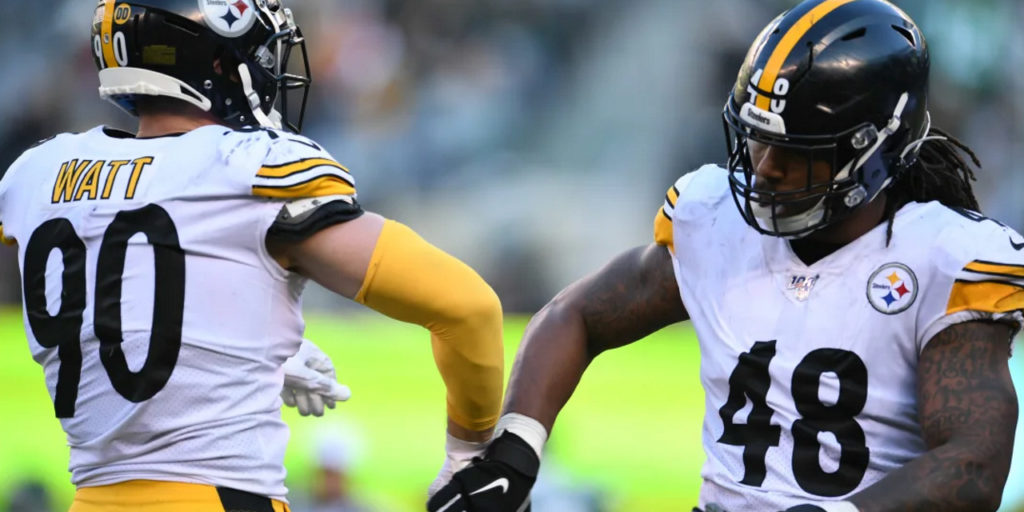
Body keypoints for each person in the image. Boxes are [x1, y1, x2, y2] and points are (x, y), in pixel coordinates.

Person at [427, 0, 1021, 511]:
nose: (764, 169)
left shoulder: (944, 259)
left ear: (871, 151)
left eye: (795, 151)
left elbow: (972, 468)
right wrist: (516, 447)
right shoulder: (715, 220)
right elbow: (576, 316)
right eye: (757, 139)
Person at [0, 1, 504, 510]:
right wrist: (472, 456)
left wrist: (233, 351)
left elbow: (121, 298)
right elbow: (467, 307)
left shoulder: (39, 173)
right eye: (258, 55)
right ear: (218, 65)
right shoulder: (244, 168)